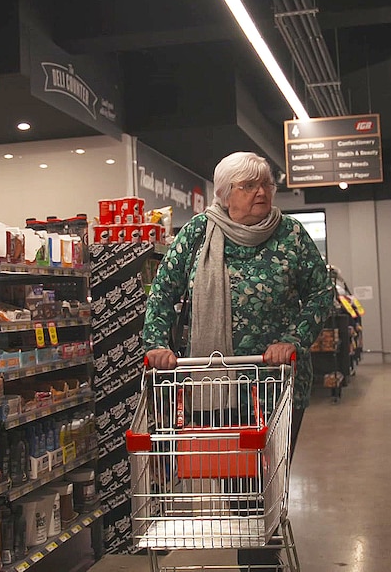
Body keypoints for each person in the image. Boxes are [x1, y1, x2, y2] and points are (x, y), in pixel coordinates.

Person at [142, 151, 334, 570]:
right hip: (217, 385)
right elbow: (162, 293)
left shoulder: (291, 235)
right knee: (240, 486)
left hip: (276, 385)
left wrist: (293, 339)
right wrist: (158, 343)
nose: (261, 192)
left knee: (268, 483)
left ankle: (259, 562)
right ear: (226, 195)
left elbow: (322, 295)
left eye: (265, 183)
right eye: (249, 186)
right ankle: (260, 561)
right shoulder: (197, 234)